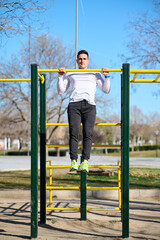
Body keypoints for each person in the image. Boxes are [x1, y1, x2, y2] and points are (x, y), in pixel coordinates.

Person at [57, 50, 110, 172]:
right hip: (74, 105)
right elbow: (60, 91)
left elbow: (106, 90)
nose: (82, 61)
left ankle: (85, 161)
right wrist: (60, 77)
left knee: (88, 133)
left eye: (84, 59)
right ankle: (74, 161)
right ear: (77, 61)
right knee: (73, 132)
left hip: (89, 106)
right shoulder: (71, 73)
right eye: (80, 59)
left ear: (88, 60)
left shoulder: (94, 73)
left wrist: (106, 76)